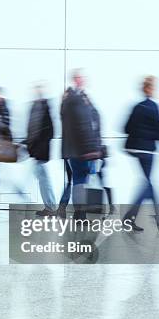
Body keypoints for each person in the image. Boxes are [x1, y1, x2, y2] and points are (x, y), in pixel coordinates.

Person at [122, 76, 159, 231]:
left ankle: (158, 217)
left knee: (148, 183)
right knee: (148, 184)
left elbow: (126, 128)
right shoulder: (154, 107)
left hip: (135, 149)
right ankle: (130, 217)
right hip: (147, 150)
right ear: (151, 89)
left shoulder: (137, 107)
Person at [60, 70, 102, 220]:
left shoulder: (72, 98)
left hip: (76, 148)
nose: (82, 80)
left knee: (79, 179)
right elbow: (84, 125)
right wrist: (92, 147)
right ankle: (80, 214)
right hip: (82, 149)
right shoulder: (76, 99)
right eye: (79, 78)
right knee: (80, 179)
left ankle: (78, 212)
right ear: (75, 80)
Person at [25, 83, 56, 216]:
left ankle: (51, 207)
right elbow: (31, 129)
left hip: (40, 151)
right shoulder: (35, 107)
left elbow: (50, 131)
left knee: (43, 179)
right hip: (35, 150)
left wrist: (40, 146)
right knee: (42, 178)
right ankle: (50, 207)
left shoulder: (45, 108)